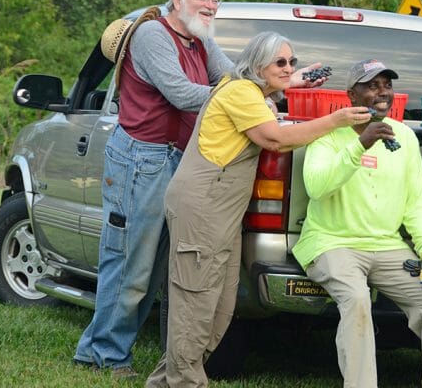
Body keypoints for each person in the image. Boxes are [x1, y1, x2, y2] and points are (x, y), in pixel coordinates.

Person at [74, 0, 327, 379]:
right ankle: (103, 353)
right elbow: (184, 92)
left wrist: (281, 82)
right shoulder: (153, 35)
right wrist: (251, 100)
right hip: (143, 159)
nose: (211, 5)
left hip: (183, 159)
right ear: (177, 0)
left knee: (174, 269)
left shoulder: (200, 39)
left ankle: (164, 361)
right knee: (133, 265)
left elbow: (236, 77)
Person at [143, 31, 369, 388]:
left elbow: (268, 95)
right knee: (196, 302)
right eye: (280, 62)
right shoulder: (240, 92)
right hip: (203, 207)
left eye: (292, 61)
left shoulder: (254, 92)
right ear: (258, 66)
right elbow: (274, 139)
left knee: (220, 307)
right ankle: (184, 382)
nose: (289, 68)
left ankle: (165, 381)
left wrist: (291, 80)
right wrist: (335, 120)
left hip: (224, 214)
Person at [292, 59, 422, 388]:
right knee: (357, 299)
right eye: (372, 86)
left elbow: (415, 202)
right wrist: (360, 145)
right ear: (351, 95)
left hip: (387, 246)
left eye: (387, 85)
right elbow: (317, 187)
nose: (382, 92)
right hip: (332, 242)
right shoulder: (328, 133)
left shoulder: (404, 137)